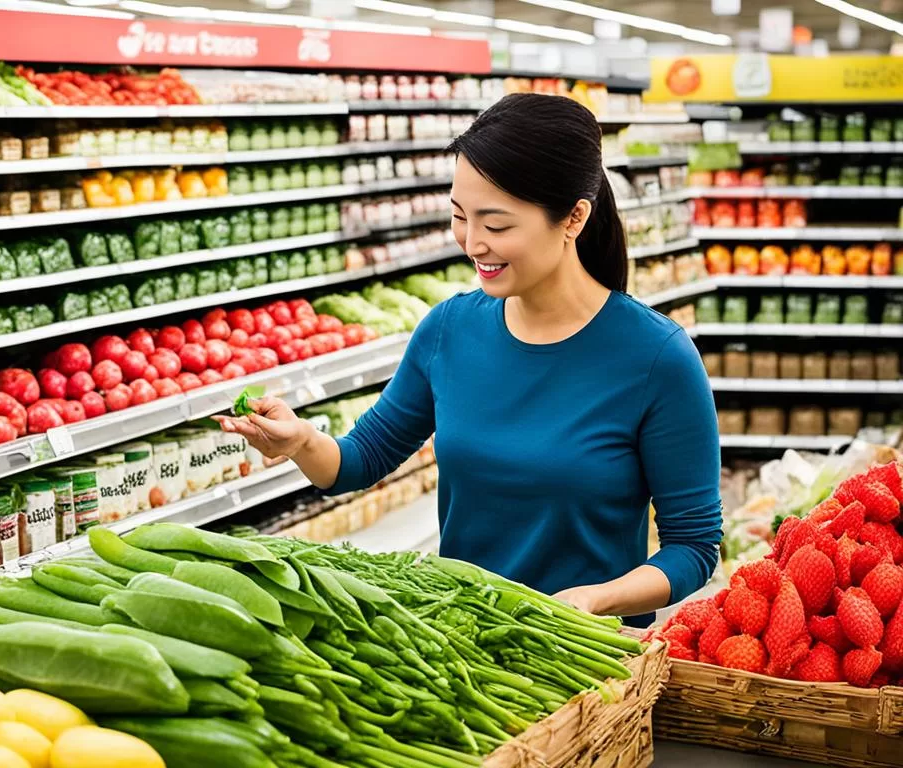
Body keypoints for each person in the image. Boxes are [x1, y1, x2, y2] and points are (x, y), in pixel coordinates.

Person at [216, 93, 723, 626]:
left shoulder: (656, 358)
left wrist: (593, 599)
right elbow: (360, 459)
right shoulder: (449, 330)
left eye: (497, 225)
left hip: (586, 659)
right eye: (460, 217)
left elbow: (692, 546)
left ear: (574, 218)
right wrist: (302, 442)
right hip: (459, 645)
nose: (473, 243)